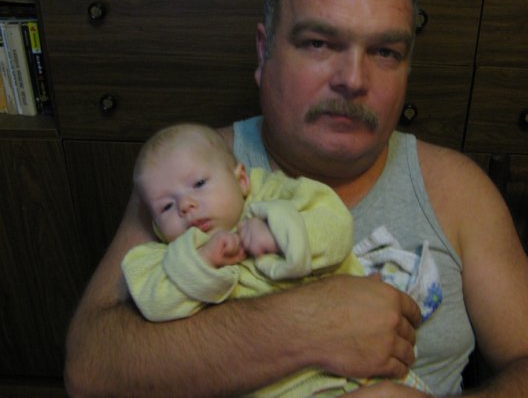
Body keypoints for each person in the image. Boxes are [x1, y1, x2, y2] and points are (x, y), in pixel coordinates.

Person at [64, 0, 528, 396]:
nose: (353, 79)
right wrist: (307, 325)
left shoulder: (458, 189)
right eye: (319, 43)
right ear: (265, 52)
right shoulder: (187, 173)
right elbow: (91, 369)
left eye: (385, 51)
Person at [121, 122, 434, 396]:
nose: (186, 205)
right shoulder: (162, 258)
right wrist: (200, 262)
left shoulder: (279, 195)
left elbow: (336, 225)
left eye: (199, 184)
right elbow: (154, 302)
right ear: (156, 227)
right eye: (166, 207)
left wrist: (278, 232)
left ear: (241, 180)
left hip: (368, 370)